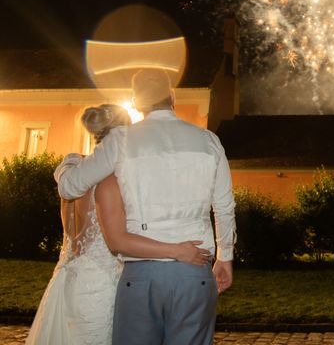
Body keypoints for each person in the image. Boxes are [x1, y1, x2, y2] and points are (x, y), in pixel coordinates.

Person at [54, 68, 236, 345]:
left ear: (137, 102)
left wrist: (67, 164)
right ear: (172, 96)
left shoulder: (121, 140)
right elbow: (224, 206)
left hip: (140, 275)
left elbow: (69, 187)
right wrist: (225, 257)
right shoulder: (209, 141)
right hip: (195, 270)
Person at [27, 104, 210, 345]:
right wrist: (177, 249)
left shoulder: (73, 171)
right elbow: (118, 239)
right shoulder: (111, 180)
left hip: (67, 279)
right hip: (99, 287)